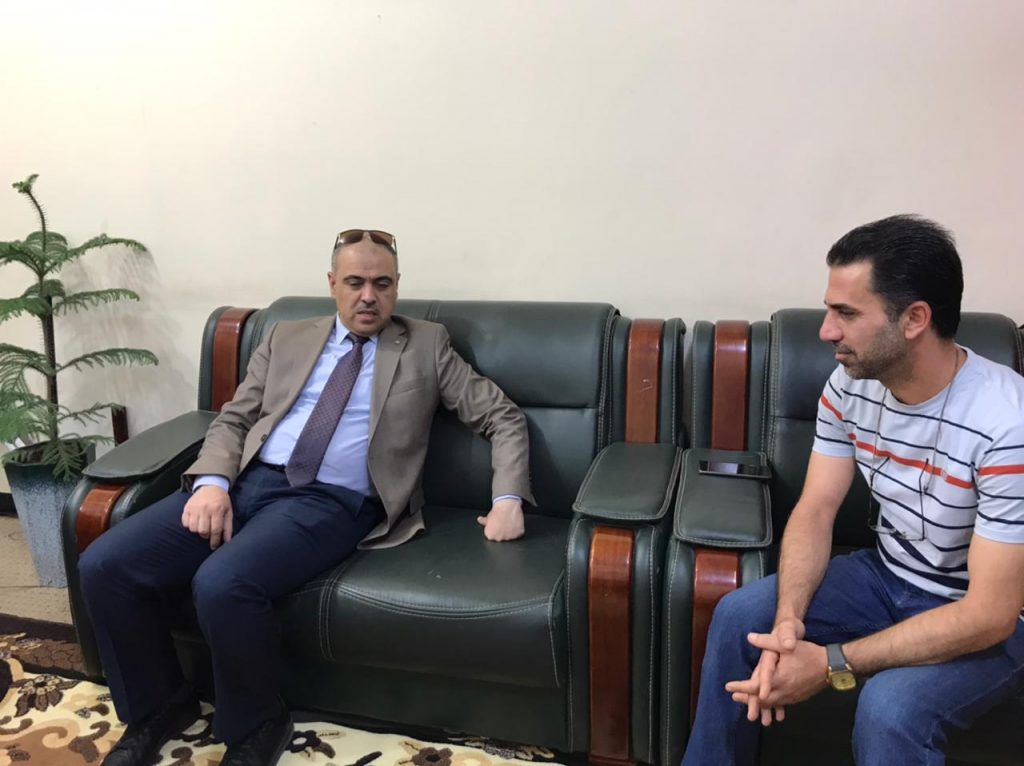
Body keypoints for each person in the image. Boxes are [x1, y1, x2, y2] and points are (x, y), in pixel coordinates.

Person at [79, 229, 533, 766]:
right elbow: (234, 418)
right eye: (356, 282)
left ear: (397, 286)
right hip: (247, 482)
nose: (369, 296)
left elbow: (501, 416)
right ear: (332, 284)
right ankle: (159, 707)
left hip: (331, 500)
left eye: (382, 284)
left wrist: (507, 498)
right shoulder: (286, 336)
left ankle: (257, 724)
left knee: (223, 583)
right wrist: (213, 483)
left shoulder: (426, 344)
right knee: (105, 564)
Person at [682, 215, 1024, 765]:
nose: (826, 331)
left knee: (890, 708)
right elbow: (817, 508)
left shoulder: (1006, 425)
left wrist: (831, 663)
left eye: (846, 313)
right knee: (739, 617)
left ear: (914, 319)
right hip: (888, 576)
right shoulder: (849, 387)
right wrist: (789, 619)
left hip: (985, 617)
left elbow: (990, 614)